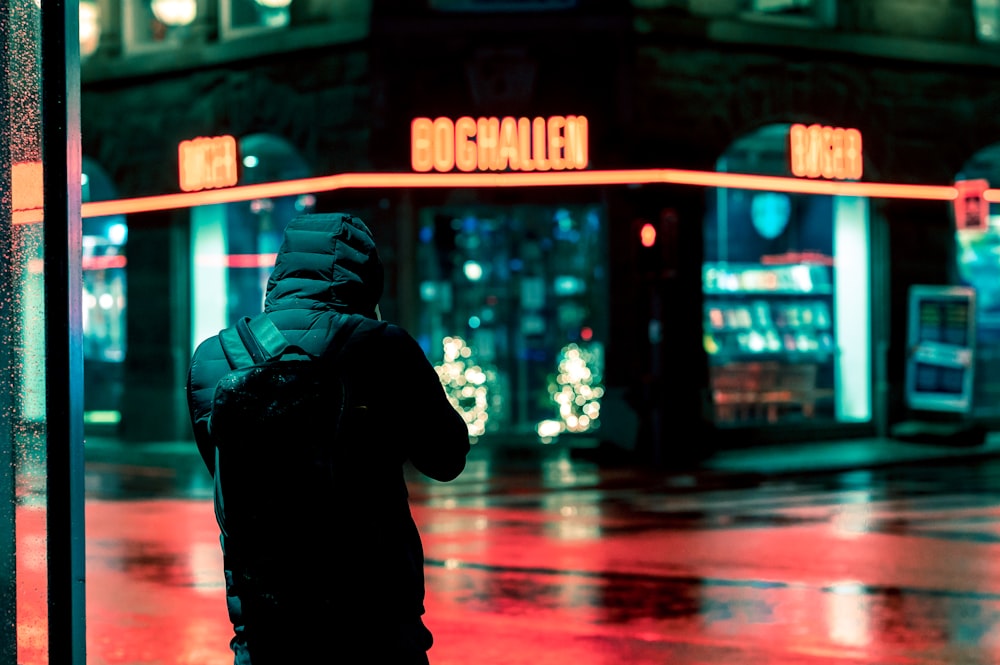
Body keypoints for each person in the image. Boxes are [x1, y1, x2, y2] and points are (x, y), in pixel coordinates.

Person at [186, 212, 471, 664]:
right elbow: (447, 457)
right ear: (368, 276)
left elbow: (221, 468)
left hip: (264, 621)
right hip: (375, 620)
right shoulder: (383, 348)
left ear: (280, 273)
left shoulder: (215, 358)